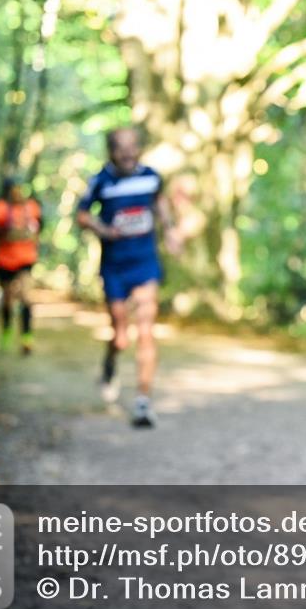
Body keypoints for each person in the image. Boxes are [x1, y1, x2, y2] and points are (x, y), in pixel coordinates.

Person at [76, 127, 183, 427]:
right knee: (121, 336)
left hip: (145, 263)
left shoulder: (151, 176)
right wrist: (103, 230)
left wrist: (171, 230)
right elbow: (82, 215)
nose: (127, 153)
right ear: (110, 151)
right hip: (114, 267)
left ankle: (142, 402)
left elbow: (159, 201)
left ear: (139, 149)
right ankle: (110, 362)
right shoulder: (100, 181)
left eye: (131, 147)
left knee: (146, 329)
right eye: (120, 148)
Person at [0, 176, 42, 355]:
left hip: (26, 260)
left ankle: (27, 337)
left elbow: (41, 226)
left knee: (26, 296)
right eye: (15, 189)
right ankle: (6, 331)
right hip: (4, 260)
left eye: (21, 188)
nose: (18, 192)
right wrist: (2, 232)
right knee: (8, 300)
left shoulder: (32, 207)